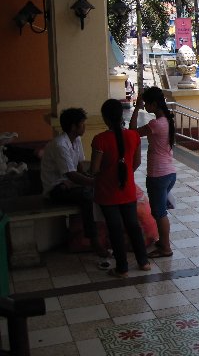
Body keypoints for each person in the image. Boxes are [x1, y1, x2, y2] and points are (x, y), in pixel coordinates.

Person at [91, 99, 150, 278]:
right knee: (133, 226)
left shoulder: (100, 140)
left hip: (107, 192)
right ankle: (144, 262)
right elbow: (136, 163)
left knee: (115, 229)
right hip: (128, 190)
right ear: (121, 115)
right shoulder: (133, 136)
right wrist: (125, 174)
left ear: (105, 118)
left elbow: (94, 169)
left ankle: (122, 268)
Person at [40, 108, 107, 257]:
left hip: (68, 184)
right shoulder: (60, 145)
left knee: (96, 193)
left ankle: (104, 235)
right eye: (82, 124)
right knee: (88, 196)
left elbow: (78, 166)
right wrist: (94, 182)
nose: (85, 127)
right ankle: (94, 241)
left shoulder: (76, 140)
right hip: (56, 189)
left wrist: (89, 177)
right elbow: (71, 175)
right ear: (73, 127)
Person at [129, 87, 176, 258]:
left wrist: (136, 108)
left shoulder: (156, 124)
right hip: (169, 172)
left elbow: (132, 132)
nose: (145, 106)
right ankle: (163, 242)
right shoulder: (166, 121)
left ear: (154, 104)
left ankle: (166, 248)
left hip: (158, 174)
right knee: (160, 210)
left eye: (146, 103)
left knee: (159, 212)